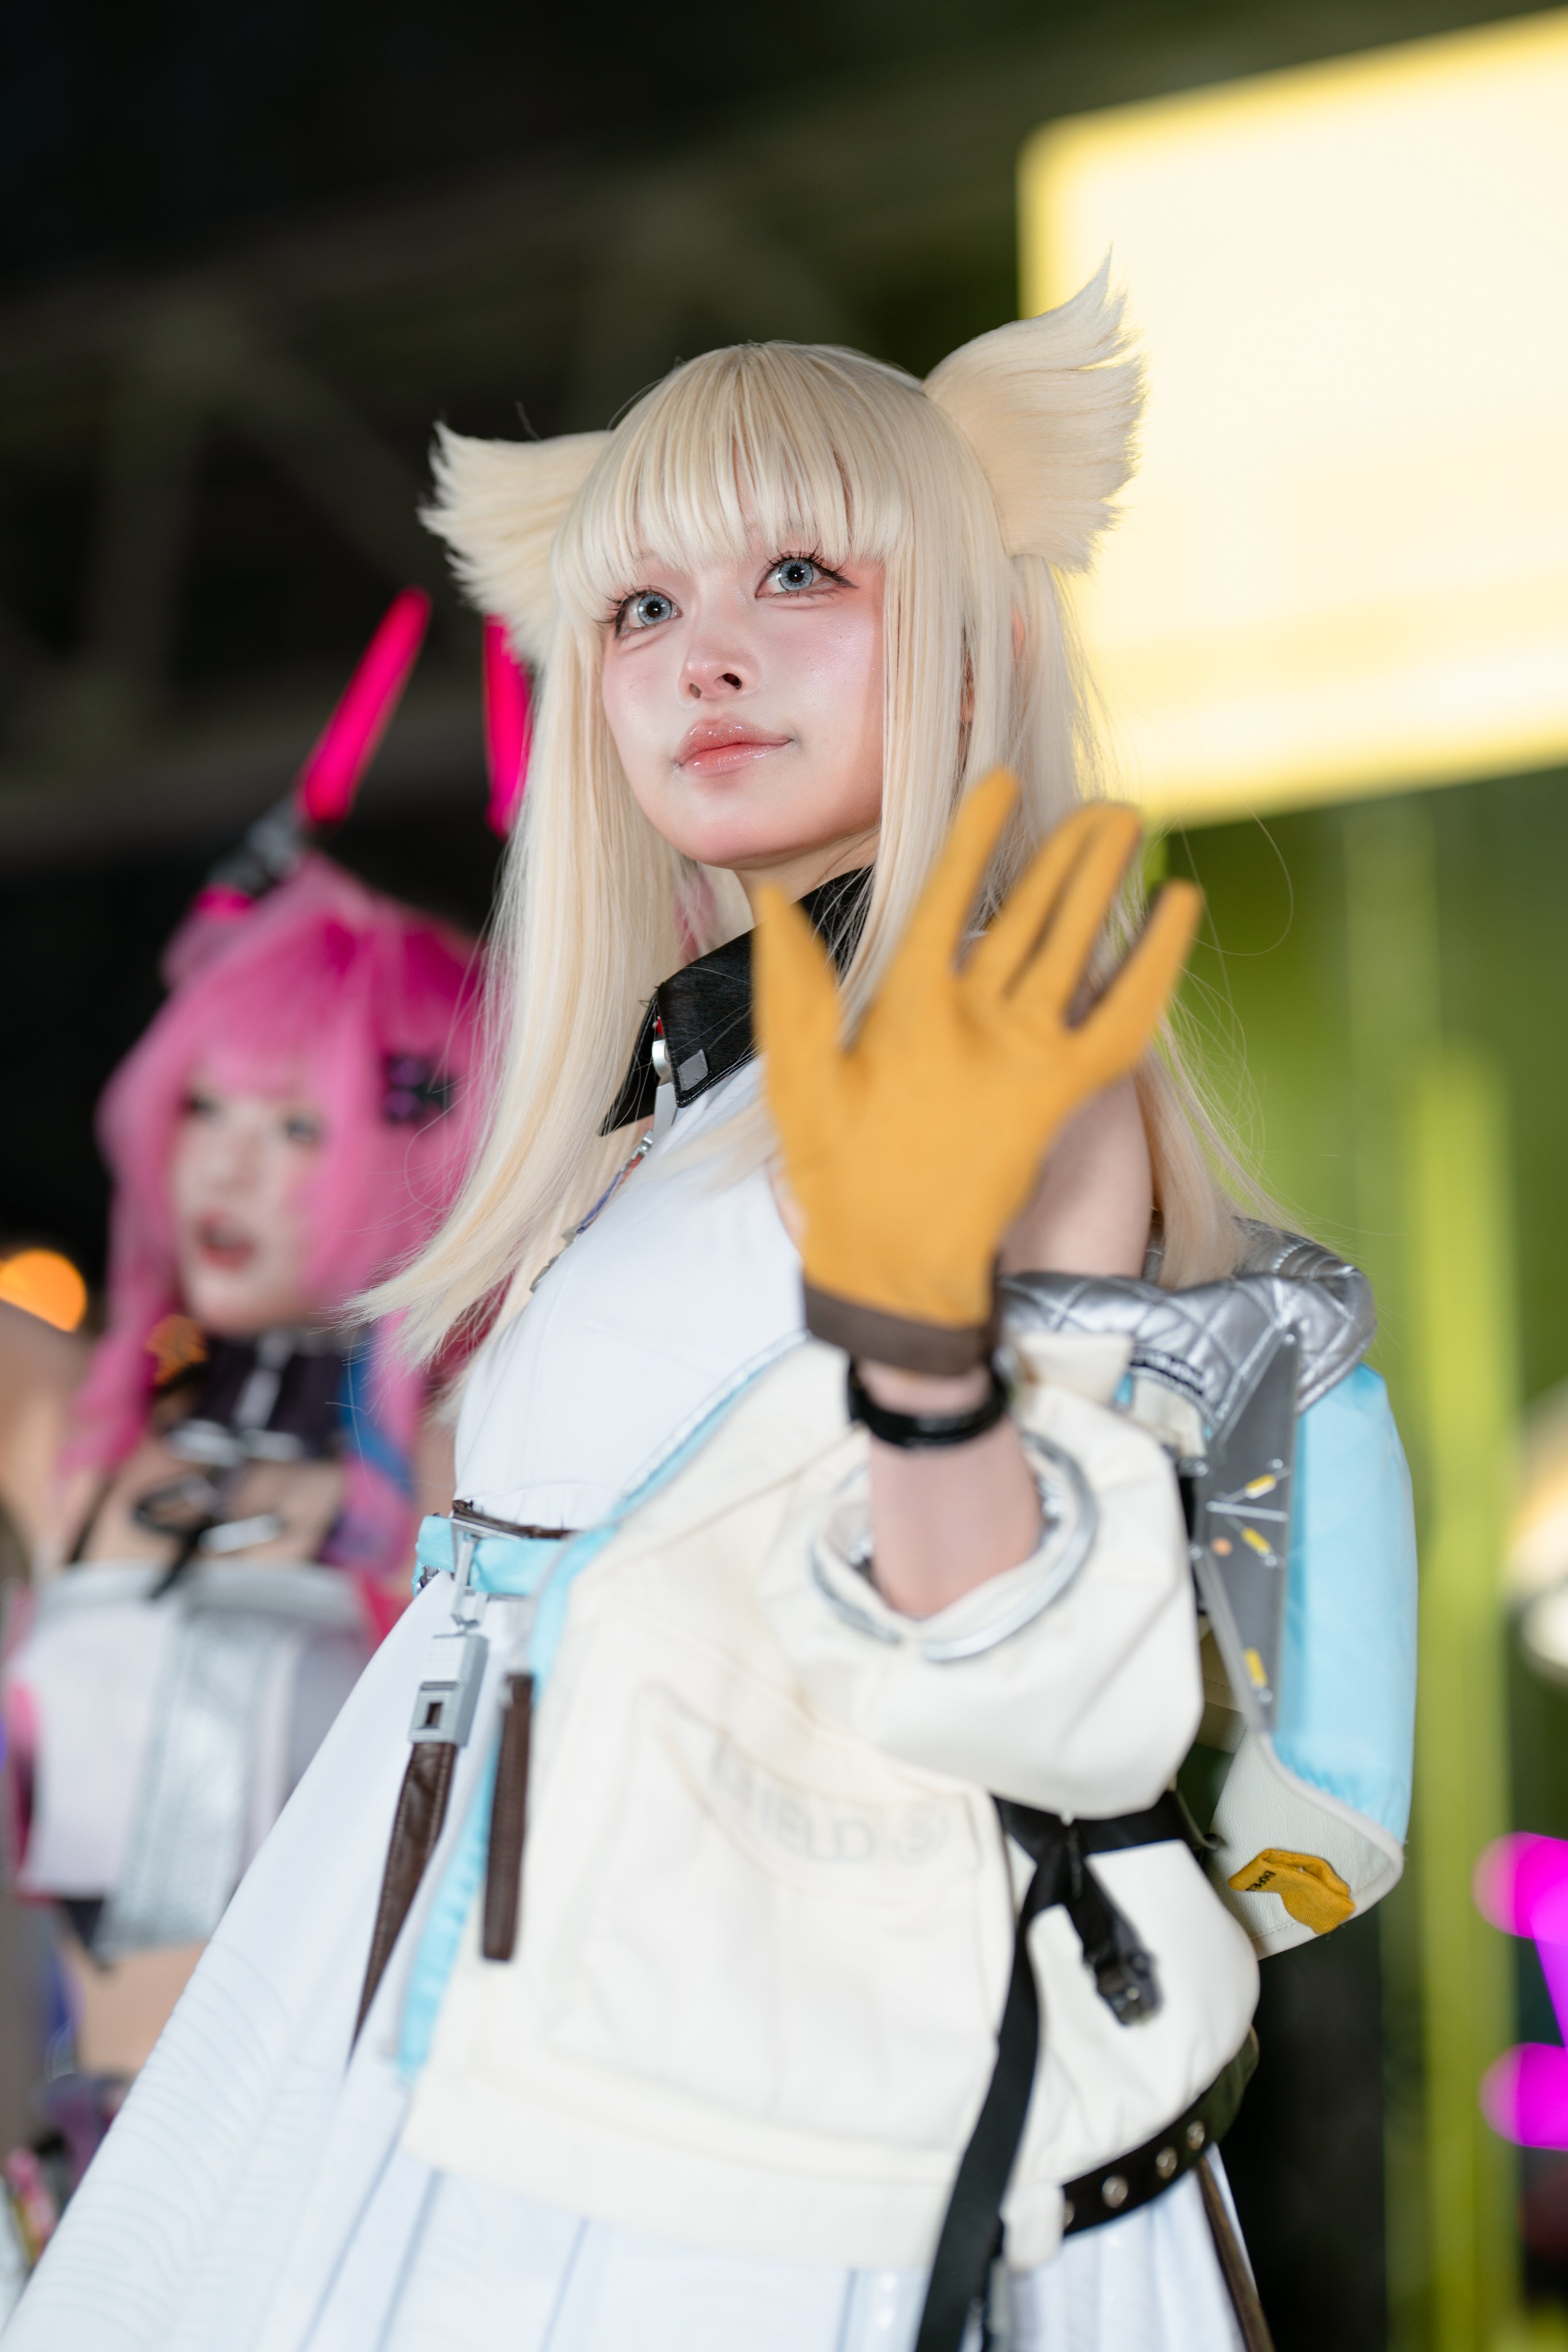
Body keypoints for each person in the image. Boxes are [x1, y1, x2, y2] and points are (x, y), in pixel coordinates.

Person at [7, 273, 1416, 2352]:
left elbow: (1029, 1691)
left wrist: (919, 1361)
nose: (704, 658)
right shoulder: (679, 1104)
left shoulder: (998, 1057)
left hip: (773, 2089)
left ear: (968, 633)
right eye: (640, 609)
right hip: (499, 2017)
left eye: (798, 575)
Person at [0, 643, 485, 2300]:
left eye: (300, 1126)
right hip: (70, 2185)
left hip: (326, 2200)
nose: (229, 1169)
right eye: (208, 1105)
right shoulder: (69, 1436)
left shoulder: (456, 1464)